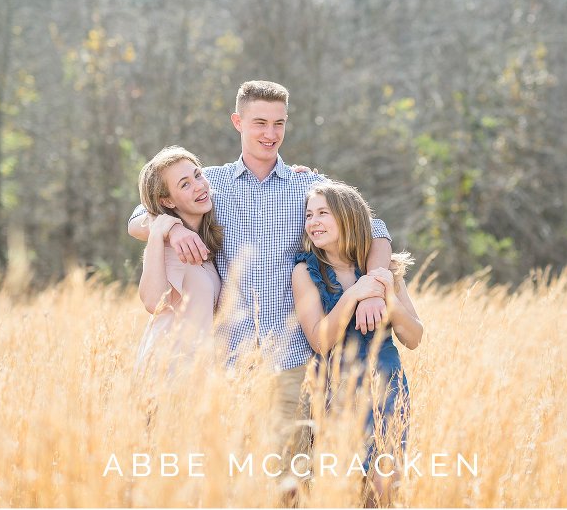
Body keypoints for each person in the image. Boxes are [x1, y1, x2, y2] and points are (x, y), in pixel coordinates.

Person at [127, 80, 394, 490]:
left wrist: (375, 282)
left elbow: (374, 227)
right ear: (238, 122)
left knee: (290, 482)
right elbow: (139, 215)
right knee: (232, 484)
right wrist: (172, 230)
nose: (270, 134)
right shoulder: (210, 185)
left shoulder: (307, 187)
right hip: (226, 364)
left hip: (291, 361)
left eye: (279, 123)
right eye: (259, 123)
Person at [292, 180, 423, 505]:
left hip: (386, 388)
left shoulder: (383, 270)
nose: (314, 222)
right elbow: (320, 340)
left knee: (383, 490)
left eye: (323, 213)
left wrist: (385, 296)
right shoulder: (306, 272)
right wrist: (353, 294)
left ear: (348, 217)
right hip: (336, 391)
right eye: (309, 215)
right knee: (344, 487)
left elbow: (414, 337)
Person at [134, 146, 222, 374]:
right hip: (164, 375)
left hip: (194, 376)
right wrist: (159, 231)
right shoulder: (167, 248)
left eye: (197, 175)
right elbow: (154, 303)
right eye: (185, 184)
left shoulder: (198, 244)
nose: (199, 186)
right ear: (168, 202)